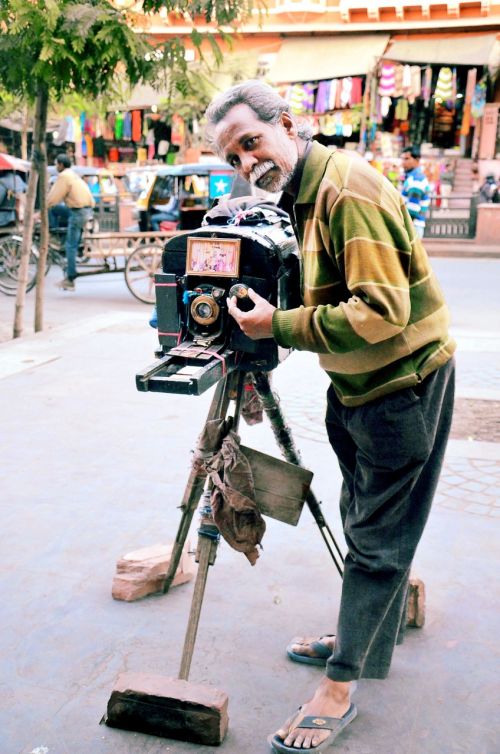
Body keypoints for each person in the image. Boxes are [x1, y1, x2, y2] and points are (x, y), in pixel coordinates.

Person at [205, 81, 456, 753]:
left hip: (400, 382)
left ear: (289, 124)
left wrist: (279, 325)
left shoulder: (344, 189)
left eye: (252, 142)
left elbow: (382, 313)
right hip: (356, 384)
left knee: (376, 534)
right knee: (361, 514)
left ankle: (341, 686)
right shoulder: (301, 194)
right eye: (233, 156)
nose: (247, 163)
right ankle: (373, 622)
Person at [47, 154, 94, 291]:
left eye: (57, 164)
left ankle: (70, 277)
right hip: (84, 210)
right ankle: (56, 233)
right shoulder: (73, 174)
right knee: (54, 210)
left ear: (61, 164)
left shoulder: (64, 176)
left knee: (70, 246)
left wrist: (42, 209)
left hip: (78, 212)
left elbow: (54, 197)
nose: (56, 167)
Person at [400, 146, 431, 239]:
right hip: (413, 227)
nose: (403, 162)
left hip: (412, 228)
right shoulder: (412, 177)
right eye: (403, 159)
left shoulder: (417, 179)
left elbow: (412, 211)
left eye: (407, 159)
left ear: (417, 160)